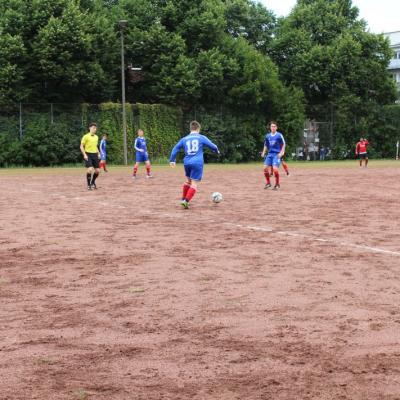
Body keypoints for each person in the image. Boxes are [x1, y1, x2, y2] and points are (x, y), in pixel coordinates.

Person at [169, 120, 219, 209]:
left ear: (190, 129)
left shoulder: (184, 139)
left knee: (188, 181)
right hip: (197, 163)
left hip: (187, 163)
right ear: (198, 129)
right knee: (194, 183)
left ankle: (183, 199)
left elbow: (175, 148)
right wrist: (216, 151)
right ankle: (186, 201)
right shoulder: (201, 137)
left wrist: (172, 160)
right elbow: (213, 146)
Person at [261, 121, 286, 190]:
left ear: (276, 127)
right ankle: (268, 183)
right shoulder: (267, 136)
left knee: (275, 170)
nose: (273, 128)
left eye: (274, 126)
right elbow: (266, 144)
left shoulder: (279, 135)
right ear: (270, 127)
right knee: (265, 168)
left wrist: (281, 153)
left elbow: (284, 144)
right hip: (270, 154)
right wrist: (263, 152)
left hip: (276, 154)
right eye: (272, 126)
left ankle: (277, 184)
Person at [80, 123, 100, 190]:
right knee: (90, 169)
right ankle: (89, 185)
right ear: (90, 128)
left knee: (97, 171)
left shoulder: (96, 137)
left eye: (95, 128)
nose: (95, 129)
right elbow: (81, 146)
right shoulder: (85, 136)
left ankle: (92, 182)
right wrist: (84, 154)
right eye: (93, 128)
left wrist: (99, 153)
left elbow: (96, 146)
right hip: (88, 154)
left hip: (95, 154)